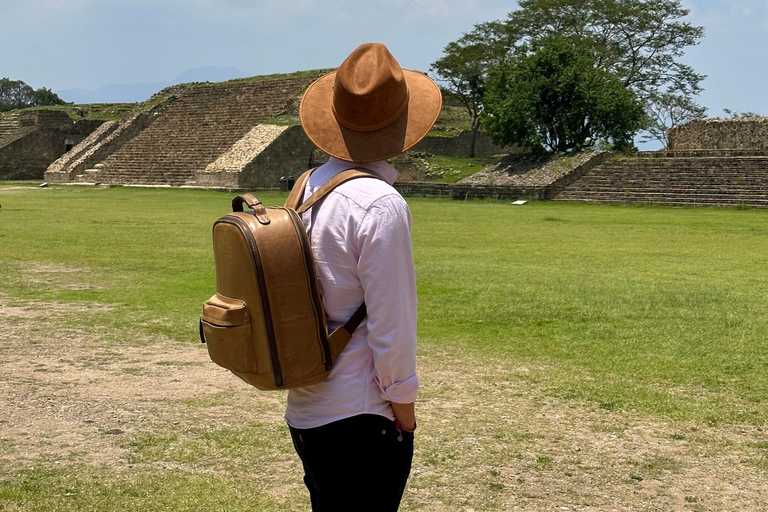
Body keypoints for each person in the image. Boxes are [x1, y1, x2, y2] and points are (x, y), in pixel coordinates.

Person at [285, 42, 442, 511]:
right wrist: (405, 412)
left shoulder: (307, 187)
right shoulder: (379, 203)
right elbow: (392, 328)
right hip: (362, 412)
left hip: (308, 403)